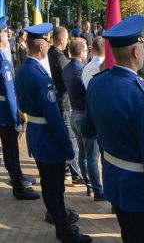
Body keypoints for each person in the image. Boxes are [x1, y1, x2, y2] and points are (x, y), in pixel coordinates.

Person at [83, 15, 144, 242]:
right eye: (143, 46)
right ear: (136, 52)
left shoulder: (97, 82)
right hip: (141, 194)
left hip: (115, 183)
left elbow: (88, 130)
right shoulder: (142, 97)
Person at [15, 23, 91, 243]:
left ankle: (58, 217)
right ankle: (64, 229)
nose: (49, 44)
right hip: (49, 138)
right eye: (47, 41)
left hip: (37, 135)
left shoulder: (23, 71)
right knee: (55, 187)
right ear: (41, 46)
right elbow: (55, 120)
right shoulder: (41, 77)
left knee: (48, 184)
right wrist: (68, 149)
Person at [0, 16, 40, 200]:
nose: (7, 36)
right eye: (4, 33)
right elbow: (9, 93)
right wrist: (16, 118)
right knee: (11, 150)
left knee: (10, 150)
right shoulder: (4, 63)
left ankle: (18, 178)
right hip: (5, 114)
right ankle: (18, 186)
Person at [62, 38, 104, 201]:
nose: (87, 53)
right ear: (81, 53)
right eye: (86, 50)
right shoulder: (82, 69)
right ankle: (97, 190)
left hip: (74, 114)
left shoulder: (67, 68)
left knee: (82, 153)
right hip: (83, 114)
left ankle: (88, 184)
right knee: (92, 156)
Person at [48, 26, 83, 185]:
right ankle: (75, 173)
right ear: (62, 40)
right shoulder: (61, 58)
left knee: (62, 136)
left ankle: (66, 169)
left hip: (55, 100)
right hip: (64, 101)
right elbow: (68, 82)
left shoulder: (49, 53)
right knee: (71, 140)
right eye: (67, 39)